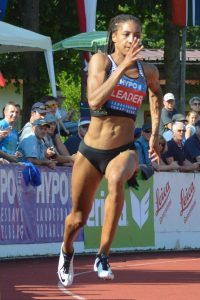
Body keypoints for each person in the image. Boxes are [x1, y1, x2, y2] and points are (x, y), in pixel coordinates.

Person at [57, 14, 163, 287]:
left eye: (137, 35)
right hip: (91, 151)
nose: (133, 39)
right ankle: (67, 250)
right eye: (127, 34)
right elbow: (94, 101)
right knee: (77, 220)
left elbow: (156, 95)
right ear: (114, 36)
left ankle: (103, 254)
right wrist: (122, 68)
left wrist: (155, 132)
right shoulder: (101, 61)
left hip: (124, 150)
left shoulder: (147, 71)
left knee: (117, 178)